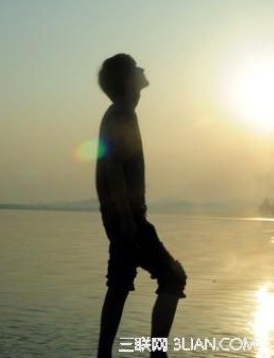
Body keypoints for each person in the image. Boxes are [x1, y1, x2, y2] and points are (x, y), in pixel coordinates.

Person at [95, 54, 187, 358]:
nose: (143, 69)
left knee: (120, 283)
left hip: (123, 216)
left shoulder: (121, 113)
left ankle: (104, 354)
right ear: (127, 80)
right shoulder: (121, 115)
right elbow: (113, 167)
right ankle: (157, 354)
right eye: (136, 68)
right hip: (127, 217)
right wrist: (126, 218)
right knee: (172, 277)